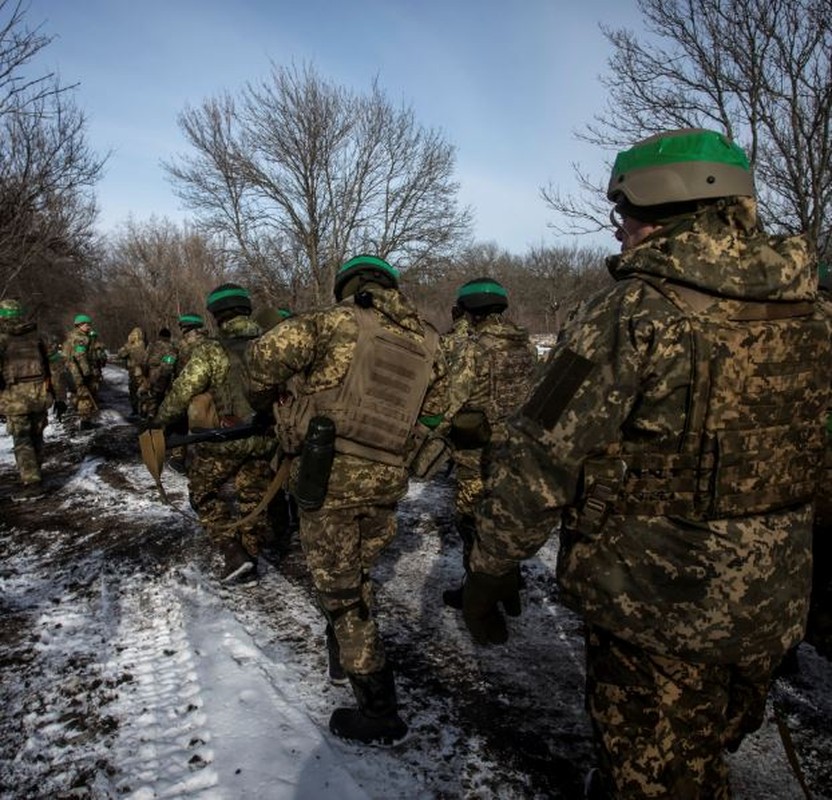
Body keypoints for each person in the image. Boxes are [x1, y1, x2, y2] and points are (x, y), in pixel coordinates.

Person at [460, 129, 832, 798]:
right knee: (706, 751)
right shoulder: (813, 309)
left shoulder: (629, 312)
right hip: (774, 602)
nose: (621, 232)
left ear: (663, 210)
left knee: (656, 777)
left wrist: (490, 567)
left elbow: (536, 456)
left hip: (658, 606)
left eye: (624, 214)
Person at [246, 254, 448, 745]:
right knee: (355, 574)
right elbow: (436, 412)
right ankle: (345, 649)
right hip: (386, 479)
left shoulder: (334, 321)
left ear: (349, 286)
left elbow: (258, 362)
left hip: (329, 474)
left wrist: (272, 399)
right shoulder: (430, 341)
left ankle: (379, 711)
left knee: (340, 596)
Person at [148, 285, 276, 583]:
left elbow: (183, 390)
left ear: (217, 315)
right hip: (265, 438)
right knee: (254, 499)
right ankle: (250, 555)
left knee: (202, 491)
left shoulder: (212, 349)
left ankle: (232, 550)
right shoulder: (271, 344)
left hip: (224, 440)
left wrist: (159, 421)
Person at [440, 278, 537, 612]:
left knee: (472, 522)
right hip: (518, 449)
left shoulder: (471, 347)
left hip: (477, 453)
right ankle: (510, 585)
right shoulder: (523, 344)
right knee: (503, 518)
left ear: (469, 310)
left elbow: (451, 400)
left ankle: (478, 594)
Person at [0, 299, 55, 496]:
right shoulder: (38, 336)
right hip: (39, 395)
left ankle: (32, 482)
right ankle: (35, 472)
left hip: (13, 398)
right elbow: (53, 365)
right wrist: (58, 394)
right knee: (36, 435)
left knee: (22, 439)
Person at [63, 313, 97, 430]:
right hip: (78, 371)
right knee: (84, 396)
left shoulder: (71, 337)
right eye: (85, 324)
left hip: (71, 370)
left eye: (89, 324)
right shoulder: (80, 338)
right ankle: (85, 421)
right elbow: (80, 356)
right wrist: (86, 372)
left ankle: (80, 414)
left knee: (77, 394)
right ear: (78, 325)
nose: (88, 326)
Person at [139, 327, 177, 419]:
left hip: (152, 372)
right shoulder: (172, 347)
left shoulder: (152, 345)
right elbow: (171, 362)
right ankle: (162, 417)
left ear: (160, 336)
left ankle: (150, 414)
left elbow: (144, 361)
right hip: (165, 374)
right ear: (169, 337)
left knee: (152, 395)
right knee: (164, 396)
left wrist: (145, 374)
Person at [117, 327, 147, 418]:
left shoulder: (129, 346)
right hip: (144, 371)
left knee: (133, 391)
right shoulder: (146, 345)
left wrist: (128, 344)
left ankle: (135, 410)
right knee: (143, 391)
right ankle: (144, 410)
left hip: (134, 372)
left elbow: (120, 354)